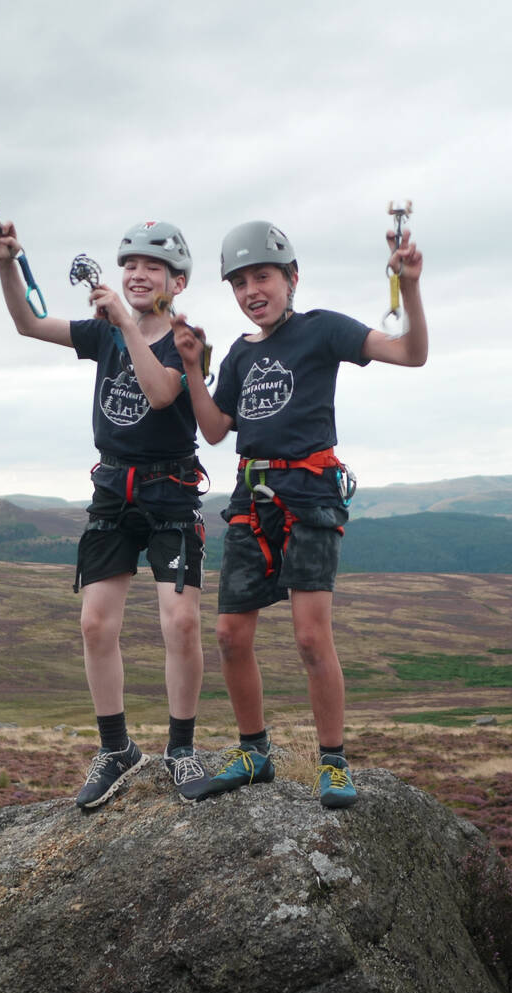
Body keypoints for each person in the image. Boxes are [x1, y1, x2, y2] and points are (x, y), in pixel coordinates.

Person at [171, 220, 426, 808]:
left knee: (312, 640)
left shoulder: (322, 330)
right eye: (239, 282)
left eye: (262, 276)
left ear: (291, 277)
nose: (250, 291)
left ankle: (332, 763)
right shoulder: (236, 353)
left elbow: (410, 354)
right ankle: (255, 754)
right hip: (249, 498)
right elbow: (214, 431)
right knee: (230, 635)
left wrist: (408, 286)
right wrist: (192, 367)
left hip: (310, 497)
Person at [0, 218, 209, 809]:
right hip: (114, 488)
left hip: (171, 491)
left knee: (180, 622)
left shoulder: (188, 341)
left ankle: (180, 750)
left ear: (177, 284)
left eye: (152, 267)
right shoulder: (105, 331)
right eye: (129, 265)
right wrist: (8, 262)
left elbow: (162, 393)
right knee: (94, 624)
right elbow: (28, 323)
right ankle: (116, 749)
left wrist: (126, 326)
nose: (137, 273)